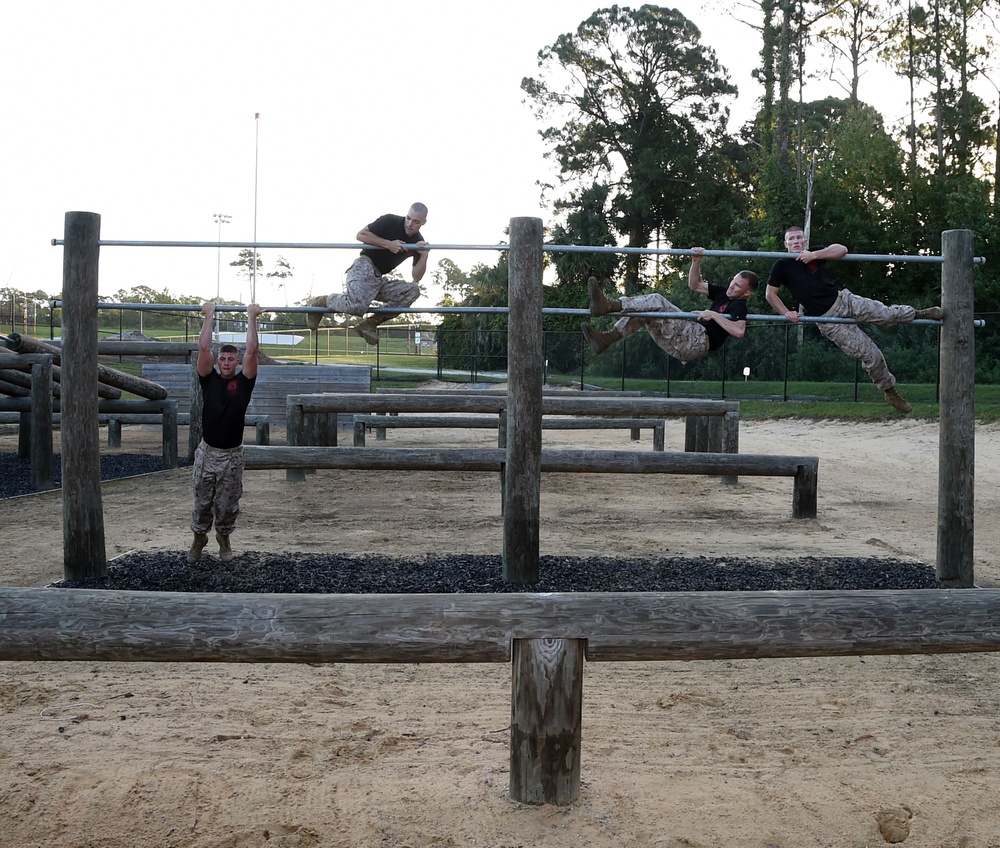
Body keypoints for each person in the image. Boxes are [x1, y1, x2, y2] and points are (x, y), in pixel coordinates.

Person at [765, 225, 943, 414]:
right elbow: (770, 294)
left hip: (845, 300)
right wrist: (786, 312)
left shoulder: (815, 252)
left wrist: (814, 255)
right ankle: (890, 391)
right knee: (870, 354)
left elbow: (842, 250)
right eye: (791, 239)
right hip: (828, 320)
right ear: (785, 243)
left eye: (799, 238)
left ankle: (918, 313)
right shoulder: (781, 265)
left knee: (887, 314)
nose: (796, 242)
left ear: (805, 240)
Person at [581, 248, 758, 363]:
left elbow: (739, 331)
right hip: (682, 345)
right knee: (643, 311)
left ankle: (608, 305)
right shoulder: (723, 292)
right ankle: (606, 339)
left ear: (746, 293)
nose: (731, 286)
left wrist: (714, 315)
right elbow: (695, 285)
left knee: (657, 300)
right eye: (732, 282)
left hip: (697, 340)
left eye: (737, 286)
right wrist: (696, 261)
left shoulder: (739, 305)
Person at [188, 301, 261, 564]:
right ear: (217, 361)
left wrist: (251, 317)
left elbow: (253, 350)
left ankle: (223, 538)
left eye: (231, 359)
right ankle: (199, 537)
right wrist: (209, 315)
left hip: (232, 456)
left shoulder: (244, 382)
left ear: (237, 361)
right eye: (223, 358)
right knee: (202, 501)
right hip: (208, 453)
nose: (227, 362)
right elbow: (204, 347)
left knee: (227, 505)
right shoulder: (208, 379)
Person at [307, 202, 430, 344]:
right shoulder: (390, 221)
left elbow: (416, 277)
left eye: (416, 222)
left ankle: (369, 324)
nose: (409, 224)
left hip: (378, 279)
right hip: (364, 266)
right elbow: (361, 235)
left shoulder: (418, 242)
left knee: (413, 290)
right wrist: (388, 244)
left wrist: (424, 255)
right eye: (408, 218)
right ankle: (322, 301)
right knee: (358, 306)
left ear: (423, 222)